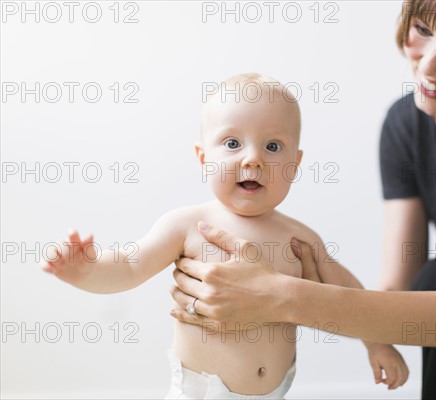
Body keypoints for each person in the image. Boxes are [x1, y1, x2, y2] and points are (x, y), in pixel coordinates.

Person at [169, 2, 436, 399]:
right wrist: (292, 269)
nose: (428, 64)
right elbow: (395, 293)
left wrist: (277, 294)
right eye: (422, 28)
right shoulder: (405, 124)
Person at [41, 73, 408, 399]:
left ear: (295, 165)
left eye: (273, 146)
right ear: (203, 158)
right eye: (232, 144)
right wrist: (86, 271)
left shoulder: (301, 238)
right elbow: (129, 266)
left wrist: (377, 343)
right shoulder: (187, 224)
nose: (252, 159)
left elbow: (348, 293)